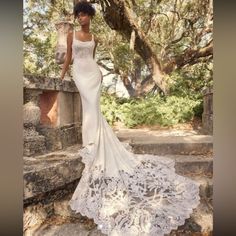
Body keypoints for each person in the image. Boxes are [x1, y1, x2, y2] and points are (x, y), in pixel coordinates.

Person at [60, 1, 200, 236]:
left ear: (90, 16)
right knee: (89, 109)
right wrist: (62, 75)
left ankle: (94, 142)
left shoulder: (94, 36)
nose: (81, 17)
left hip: (94, 74)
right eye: (79, 14)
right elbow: (70, 57)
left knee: (94, 108)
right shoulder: (71, 34)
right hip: (79, 74)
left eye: (85, 14)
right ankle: (91, 144)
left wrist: (101, 78)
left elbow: (92, 59)